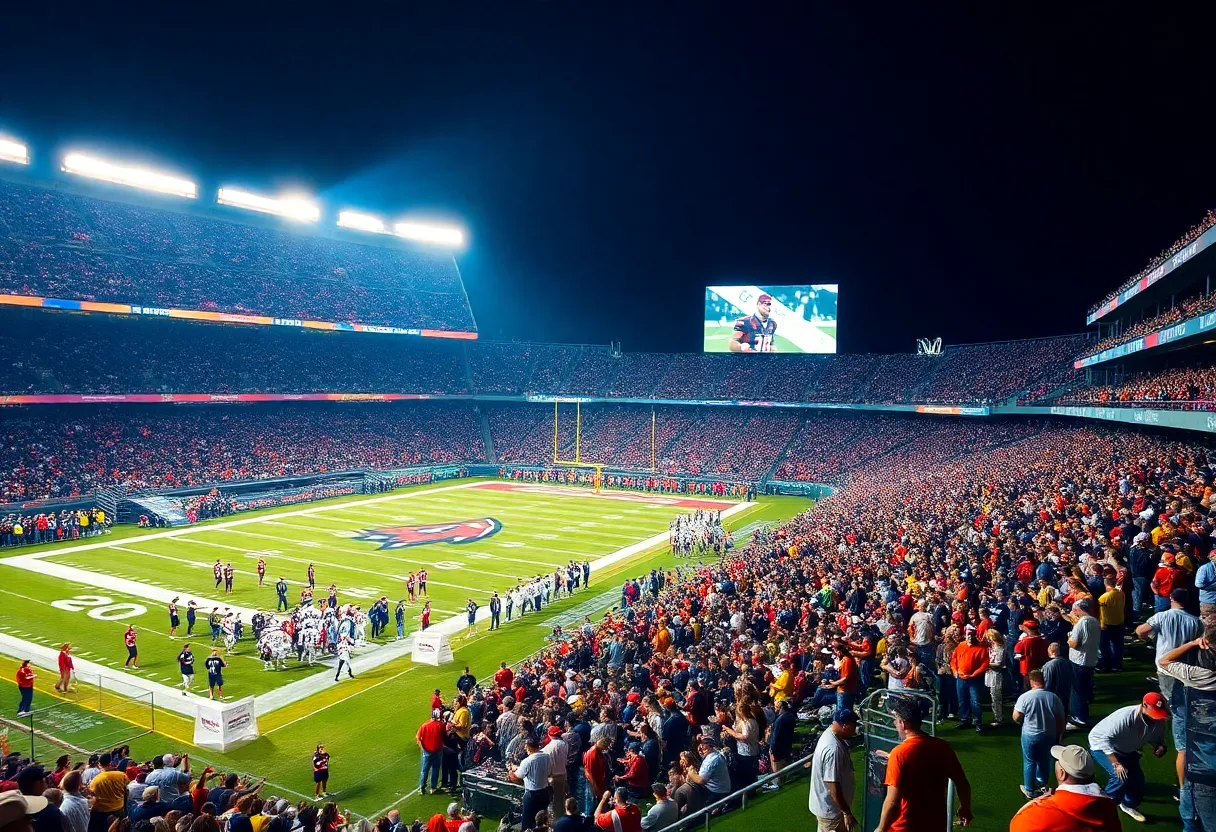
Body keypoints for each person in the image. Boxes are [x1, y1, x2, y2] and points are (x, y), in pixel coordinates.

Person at [874, 697, 972, 832]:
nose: (894, 723)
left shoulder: (899, 754)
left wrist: (881, 828)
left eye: (896, 721)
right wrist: (965, 807)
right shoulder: (942, 746)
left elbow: (892, 801)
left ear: (903, 724)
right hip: (936, 823)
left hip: (905, 826)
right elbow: (962, 782)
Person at [1087, 692, 1170, 822]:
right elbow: (1100, 739)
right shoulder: (1123, 718)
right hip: (1102, 747)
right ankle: (1103, 808)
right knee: (1120, 777)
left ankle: (1128, 805)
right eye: (1154, 713)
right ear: (1144, 705)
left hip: (1127, 750)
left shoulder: (1157, 720)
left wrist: (1159, 746)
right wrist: (1116, 763)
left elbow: (1156, 737)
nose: (1156, 718)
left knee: (1138, 781)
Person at [1009, 745, 1121, 832]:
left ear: (1062, 774)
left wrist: (1032, 803)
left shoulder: (1037, 814)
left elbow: (1016, 825)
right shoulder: (1107, 806)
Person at [1012, 669, 1066, 798]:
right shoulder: (1053, 697)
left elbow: (1016, 716)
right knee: (1044, 760)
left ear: (1031, 681)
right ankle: (1042, 783)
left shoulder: (1024, 697)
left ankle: (1029, 789)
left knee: (1029, 761)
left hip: (1030, 735)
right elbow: (1060, 719)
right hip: (1049, 734)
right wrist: (1060, 735)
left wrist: (1022, 723)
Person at [808, 709, 859, 832]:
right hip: (832, 812)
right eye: (854, 725)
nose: (855, 729)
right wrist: (847, 813)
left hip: (829, 808)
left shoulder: (830, 732)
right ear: (845, 725)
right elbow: (833, 788)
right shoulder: (833, 750)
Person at [508, 738, 553, 832]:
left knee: (528, 822)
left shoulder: (527, 761)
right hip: (545, 793)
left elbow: (517, 776)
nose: (525, 749)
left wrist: (510, 771)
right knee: (542, 820)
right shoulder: (546, 756)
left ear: (529, 747)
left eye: (526, 747)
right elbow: (549, 772)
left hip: (532, 795)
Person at [1066, 599, 1100, 727]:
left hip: (1079, 660)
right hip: (1090, 659)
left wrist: (1069, 638)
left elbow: (1074, 643)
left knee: (1077, 689)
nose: (1073, 610)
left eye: (1075, 608)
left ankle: (1079, 717)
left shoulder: (1082, 622)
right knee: (1085, 688)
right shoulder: (1094, 620)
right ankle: (1083, 714)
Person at [951, 626, 989, 732]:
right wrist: (955, 671)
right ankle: (965, 720)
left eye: (972, 634)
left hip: (974, 680)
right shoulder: (960, 645)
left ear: (975, 635)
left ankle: (978, 722)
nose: (970, 637)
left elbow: (985, 664)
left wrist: (973, 674)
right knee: (962, 700)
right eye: (968, 634)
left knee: (975, 701)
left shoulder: (982, 648)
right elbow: (954, 660)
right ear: (965, 635)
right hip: (961, 678)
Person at [1097, 576, 1126, 672]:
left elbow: (1102, 612)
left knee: (1104, 646)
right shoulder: (1121, 594)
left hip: (1106, 624)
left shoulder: (1103, 597)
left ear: (1106, 584)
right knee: (1117, 645)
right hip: (1119, 622)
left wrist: (1101, 624)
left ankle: (1105, 665)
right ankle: (1117, 665)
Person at [417, 709, 446, 795]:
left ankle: (422, 788)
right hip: (437, 751)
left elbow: (419, 738)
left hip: (427, 751)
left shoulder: (424, 725)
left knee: (424, 770)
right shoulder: (441, 725)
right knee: (435, 769)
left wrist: (422, 748)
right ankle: (433, 788)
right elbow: (444, 737)